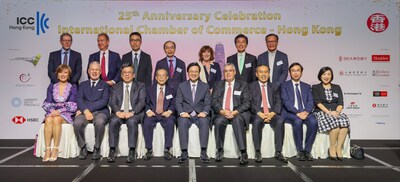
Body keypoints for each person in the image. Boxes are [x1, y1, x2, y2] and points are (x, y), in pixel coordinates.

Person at [211, 63, 251, 165]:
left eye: (230, 71)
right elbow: (213, 101)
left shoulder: (243, 84)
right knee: (219, 121)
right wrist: (222, 111)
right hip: (222, 113)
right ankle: (219, 150)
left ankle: (243, 152)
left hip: (237, 112)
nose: (228, 73)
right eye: (225, 71)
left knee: (237, 120)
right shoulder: (217, 84)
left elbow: (247, 102)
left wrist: (235, 112)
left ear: (234, 72)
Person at [108, 63, 146, 163]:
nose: (127, 74)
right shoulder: (115, 87)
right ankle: (112, 150)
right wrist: (117, 112)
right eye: (124, 72)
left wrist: (132, 112)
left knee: (132, 122)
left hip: (134, 113)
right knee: (113, 121)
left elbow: (142, 101)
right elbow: (112, 102)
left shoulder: (140, 86)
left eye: (129, 72)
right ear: (121, 75)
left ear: (133, 75)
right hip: (119, 112)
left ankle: (132, 151)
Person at [249, 65, 287, 163]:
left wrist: (273, 113)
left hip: (271, 112)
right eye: (261, 72)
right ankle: (257, 151)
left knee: (280, 120)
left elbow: (278, 102)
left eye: (266, 72)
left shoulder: (274, 86)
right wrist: (259, 113)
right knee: (257, 122)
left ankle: (278, 151)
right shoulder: (250, 86)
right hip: (258, 112)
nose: (263, 74)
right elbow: (249, 102)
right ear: (256, 74)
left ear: (269, 74)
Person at [281, 62, 317, 161]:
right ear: (289, 72)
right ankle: (300, 150)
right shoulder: (284, 85)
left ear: (301, 73)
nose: (295, 73)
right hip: (291, 113)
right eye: (293, 70)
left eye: (298, 70)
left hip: (305, 112)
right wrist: (297, 113)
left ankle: (307, 150)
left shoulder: (307, 86)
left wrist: (306, 112)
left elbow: (311, 101)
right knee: (298, 121)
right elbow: (286, 102)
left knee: (313, 122)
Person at [73, 62, 110, 160]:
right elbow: (79, 99)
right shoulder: (82, 85)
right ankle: (83, 147)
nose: (94, 72)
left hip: (100, 111)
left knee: (100, 122)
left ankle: (97, 148)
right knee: (77, 123)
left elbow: (104, 101)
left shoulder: (105, 85)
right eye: (92, 69)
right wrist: (85, 111)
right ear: (89, 71)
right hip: (84, 111)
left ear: (100, 71)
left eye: (97, 69)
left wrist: (86, 110)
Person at [176, 62, 211, 163]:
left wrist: (204, 112)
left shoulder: (205, 86)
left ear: (199, 73)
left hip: (200, 115)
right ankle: (184, 152)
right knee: (182, 121)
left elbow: (208, 102)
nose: (193, 73)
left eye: (196, 71)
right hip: (186, 114)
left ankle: (203, 151)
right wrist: (182, 112)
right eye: (191, 71)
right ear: (188, 72)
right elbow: (178, 102)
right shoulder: (182, 86)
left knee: (204, 121)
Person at [312, 67, 350, 161]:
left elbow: (340, 103)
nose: (326, 76)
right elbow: (318, 103)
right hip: (322, 112)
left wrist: (337, 112)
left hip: (335, 111)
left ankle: (339, 148)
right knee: (335, 126)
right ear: (320, 76)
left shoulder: (337, 87)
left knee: (344, 124)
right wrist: (329, 112)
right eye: (324, 74)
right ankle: (332, 148)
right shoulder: (315, 87)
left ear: (331, 76)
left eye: (329, 74)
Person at [41, 64, 77, 162]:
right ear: (57, 74)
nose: (63, 74)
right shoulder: (52, 86)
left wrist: (59, 111)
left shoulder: (72, 87)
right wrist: (53, 111)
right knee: (48, 119)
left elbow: (72, 105)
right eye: (61, 72)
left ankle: (55, 149)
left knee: (56, 119)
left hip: (66, 113)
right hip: (52, 111)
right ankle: (48, 150)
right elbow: (48, 102)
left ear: (69, 75)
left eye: (65, 72)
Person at [143, 69, 176, 161]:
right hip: (153, 114)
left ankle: (167, 149)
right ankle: (149, 149)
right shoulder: (149, 89)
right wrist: (148, 111)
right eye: (159, 75)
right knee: (147, 122)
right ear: (156, 77)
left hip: (165, 114)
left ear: (167, 78)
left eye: (163, 75)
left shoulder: (172, 90)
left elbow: (174, 104)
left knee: (170, 122)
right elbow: (146, 103)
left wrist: (169, 111)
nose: (161, 77)